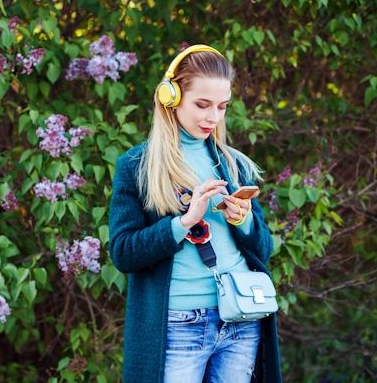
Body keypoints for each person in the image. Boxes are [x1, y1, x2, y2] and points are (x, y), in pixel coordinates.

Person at [108, 44, 282, 383]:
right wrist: (184, 222)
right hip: (177, 324)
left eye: (221, 107)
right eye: (202, 105)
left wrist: (241, 218)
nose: (213, 118)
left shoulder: (232, 163)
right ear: (170, 98)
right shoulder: (136, 166)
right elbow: (123, 253)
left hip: (241, 318)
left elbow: (264, 250)